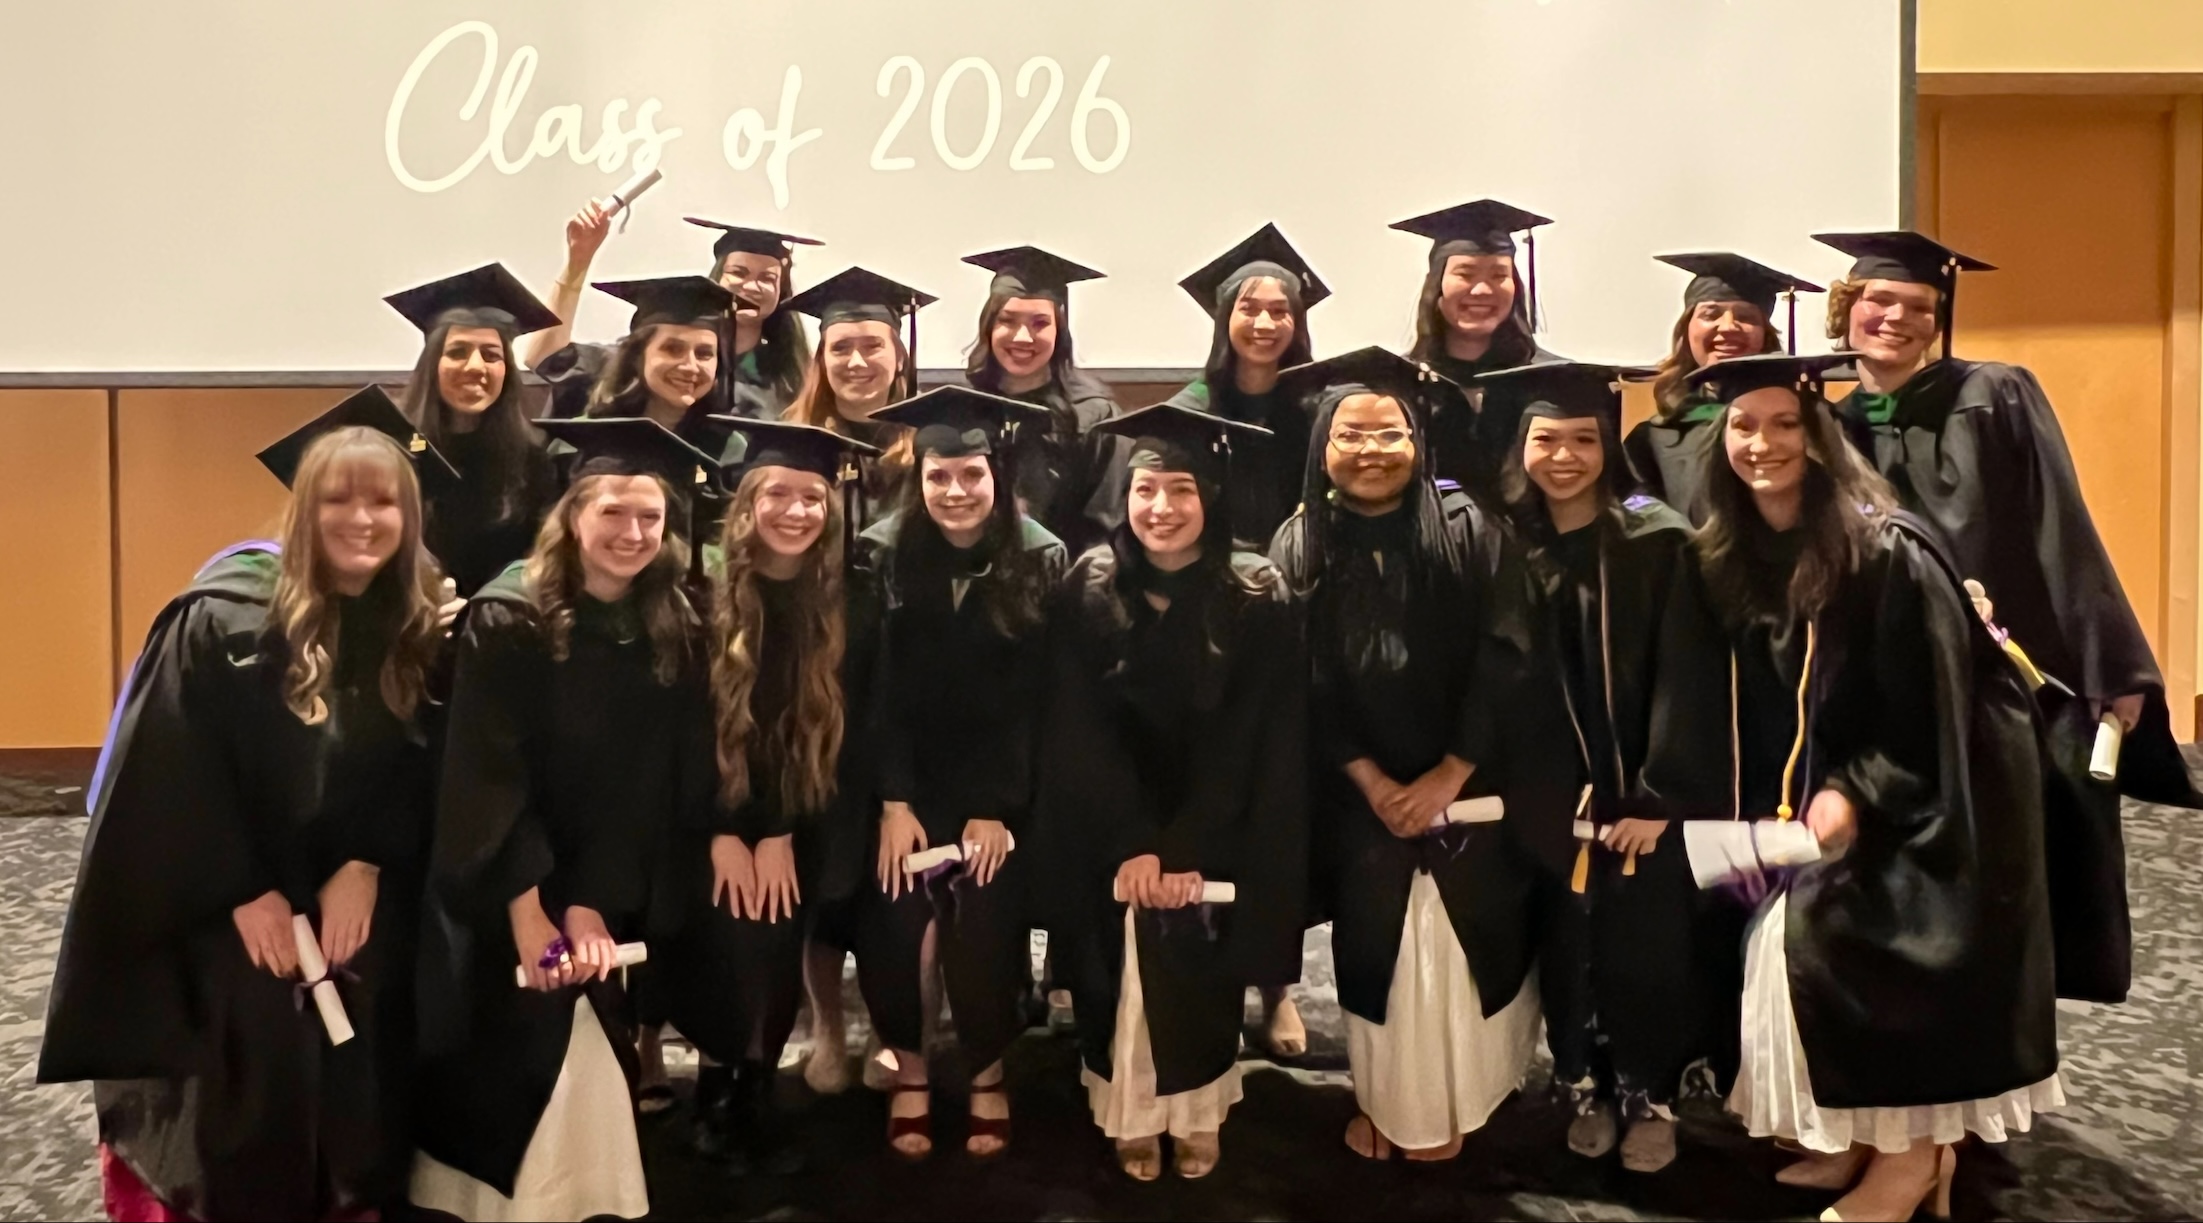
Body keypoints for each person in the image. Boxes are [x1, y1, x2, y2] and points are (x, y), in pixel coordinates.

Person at [1643, 352, 2061, 1223]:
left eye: (1785, 424)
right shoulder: (1741, 547)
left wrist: (1851, 794)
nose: (1762, 444)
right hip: (1838, 793)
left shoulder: (1882, 548)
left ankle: (1910, 1165)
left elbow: (1923, 710)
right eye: (1744, 428)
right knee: (1775, 938)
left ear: (1819, 434)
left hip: (1936, 794)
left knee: (1844, 948)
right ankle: (1872, 1144)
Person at [40, 390, 450, 1220]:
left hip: (346, 882)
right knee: (256, 1036)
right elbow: (168, 773)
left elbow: (418, 771)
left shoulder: (407, 625)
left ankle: (352, 1192)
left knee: (381, 998)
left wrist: (367, 862)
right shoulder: (224, 617)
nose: (362, 519)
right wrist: (242, 890)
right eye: (339, 499)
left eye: (383, 502)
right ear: (304, 509)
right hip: (220, 895)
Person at [1817, 228, 2198, 1001]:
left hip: (2004, 678)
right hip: (1891, 684)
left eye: (1918, 306)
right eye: (1879, 300)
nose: (1895, 317)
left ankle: (1995, 1072)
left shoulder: (1994, 393)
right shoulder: (1828, 424)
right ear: (1847, 308)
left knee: (2006, 870)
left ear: (1937, 320)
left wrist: (2109, 666)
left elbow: (2062, 526)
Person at [411, 419, 720, 1221]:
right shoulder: (509, 616)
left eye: (650, 517)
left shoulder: (667, 624)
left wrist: (592, 897)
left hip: (595, 875)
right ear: (573, 514)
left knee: (586, 1035)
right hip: (501, 880)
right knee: (513, 1046)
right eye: (613, 511)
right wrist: (528, 906)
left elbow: (644, 785)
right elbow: (486, 775)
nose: (632, 532)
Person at [1268, 347, 1541, 1163]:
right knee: (1381, 956)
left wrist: (1448, 773)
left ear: (1418, 441)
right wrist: (1374, 780)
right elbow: (1301, 683)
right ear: (1322, 446)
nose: (1370, 449)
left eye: (1388, 432)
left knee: (1462, 952)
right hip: (1362, 802)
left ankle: (1461, 1101)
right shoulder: (1301, 541)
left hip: (1467, 789)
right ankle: (1393, 1106)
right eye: (1350, 434)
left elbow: (1507, 655)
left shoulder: (1468, 529)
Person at [1034, 401, 1308, 1182]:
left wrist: (1187, 844)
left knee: (1195, 972)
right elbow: (1075, 726)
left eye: (1181, 490)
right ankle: (1128, 1110)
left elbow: (1253, 736)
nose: (1160, 508)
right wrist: (1132, 842)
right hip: (1108, 832)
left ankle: (1192, 1110)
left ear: (1211, 498)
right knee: (1112, 973)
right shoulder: (1087, 587)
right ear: (1123, 497)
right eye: (1145, 490)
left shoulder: (1256, 593)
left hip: (1214, 831)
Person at [1484, 359, 1714, 1172]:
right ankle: (1581, 1079)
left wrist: (1660, 792)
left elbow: (1688, 676)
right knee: (1566, 934)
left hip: (1639, 789)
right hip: (1551, 792)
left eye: (1584, 439)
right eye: (1546, 439)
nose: (1565, 457)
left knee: (1644, 937)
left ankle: (1650, 1090)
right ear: (1523, 445)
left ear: (1607, 443)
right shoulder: (1511, 542)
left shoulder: (1656, 538)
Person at [662, 417, 881, 1173]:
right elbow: (689, 725)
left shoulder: (844, 598)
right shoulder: (700, 593)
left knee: (778, 934)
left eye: (811, 498)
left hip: (805, 810)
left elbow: (835, 728)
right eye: (777, 494)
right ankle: (720, 1079)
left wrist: (780, 828)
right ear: (748, 501)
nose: (794, 511)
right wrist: (726, 827)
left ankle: (754, 1079)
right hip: (709, 811)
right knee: (728, 933)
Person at [855, 386, 1066, 1159]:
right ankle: (909, 1065)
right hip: (902, 786)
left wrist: (995, 807)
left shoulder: (1039, 555)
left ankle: (985, 1065)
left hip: (999, 791)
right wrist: (894, 798)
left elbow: (1037, 700)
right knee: (898, 914)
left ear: (997, 476)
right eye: (938, 476)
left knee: (984, 916)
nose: (954, 492)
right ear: (917, 478)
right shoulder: (879, 553)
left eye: (970, 475)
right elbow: (872, 692)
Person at [524, 202, 818, 420]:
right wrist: (578, 262)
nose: (752, 286)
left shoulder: (788, 382)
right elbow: (544, 358)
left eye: (768, 278)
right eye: (739, 272)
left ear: (782, 293)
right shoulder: (636, 362)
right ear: (717, 279)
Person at [385, 263, 564, 595]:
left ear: (506, 370)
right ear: (432, 364)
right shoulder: (390, 446)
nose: (475, 367)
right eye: (457, 352)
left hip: (497, 625)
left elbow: (541, 562)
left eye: (491, 355)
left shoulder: (533, 462)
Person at [1622, 252, 1820, 523]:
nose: (1728, 327)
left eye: (1746, 316)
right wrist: (1667, 526)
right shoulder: (1655, 437)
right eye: (1710, 313)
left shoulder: (1812, 424)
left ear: (1766, 334)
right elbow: (1631, 502)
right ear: (1686, 331)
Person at [960, 245, 1131, 556]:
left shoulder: (1094, 415)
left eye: (1040, 323)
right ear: (989, 326)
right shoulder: (962, 408)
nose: (1023, 337)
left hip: (1067, 586)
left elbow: (1105, 527)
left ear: (1059, 330)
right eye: (1007, 320)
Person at [1171, 223, 1331, 550]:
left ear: (1297, 321)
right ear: (1225, 318)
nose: (1264, 324)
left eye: (1279, 311)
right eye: (1249, 309)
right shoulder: (1191, 412)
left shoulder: (1322, 410)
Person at [1391, 197, 1563, 501]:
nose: (1482, 290)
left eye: (1499, 275)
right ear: (1437, 284)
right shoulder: (1401, 383)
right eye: (1466, 274)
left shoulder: (1553, 380)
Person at [777, 265, 938, 534]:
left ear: (899, 357)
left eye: (872, 346)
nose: (856, 362)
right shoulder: (789, 441)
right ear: (822, 360)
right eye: (840, 348)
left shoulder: (931, 440)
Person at [573, 276, 739, 451]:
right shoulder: (583, 436)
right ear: (637, 356)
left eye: (704, 354)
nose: (690, 366)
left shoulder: (729, 449)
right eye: (672, 349)